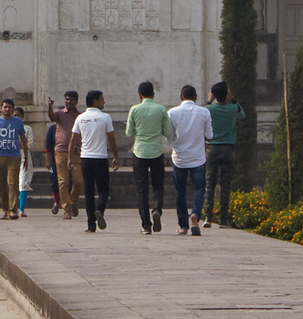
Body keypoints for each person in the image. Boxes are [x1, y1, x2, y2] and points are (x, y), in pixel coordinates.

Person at [125, 81, 171, 234]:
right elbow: (167, 132)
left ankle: (146, 225)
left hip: (140, 152)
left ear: (140, 95)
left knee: (142, 189)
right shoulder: (161, 109)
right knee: (158, 185)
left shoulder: (135, 109)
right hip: (157, 152)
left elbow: (128, 132)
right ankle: (157, 209)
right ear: (153, 94)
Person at [167, 84, 210, 236]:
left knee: (180, 190)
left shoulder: (172, 113)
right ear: (196, 97)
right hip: (198, 157)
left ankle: (183, 225)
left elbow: (170, 137)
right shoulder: (204, 112)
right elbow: (209, 135)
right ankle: (196, 215)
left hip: (180, 157)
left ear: (181, 97)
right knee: (199, 188)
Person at [73, 90, 114, 231]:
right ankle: (99, 210)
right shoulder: (105, 117)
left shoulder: (80, 118)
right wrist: (116, 156)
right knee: (103, 190)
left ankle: (91, 225)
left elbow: (73, 139)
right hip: (100, 158)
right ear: (95, 101)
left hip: (85, 158)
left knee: (89, 192)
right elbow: (112, 138)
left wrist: (69, 157)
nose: (104, 102)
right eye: (102, 99)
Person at [205, 81, 244, 225]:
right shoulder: (233, 108)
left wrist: (209, 99)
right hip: (228, 149)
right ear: (226, 94)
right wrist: (232, 98)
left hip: (212, 148)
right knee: (225, 185)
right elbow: (242, 114)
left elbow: (203, 112)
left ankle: (208, 216)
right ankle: (223, 218)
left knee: (210, 183)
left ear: (214, 95)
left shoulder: (209, 109)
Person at [0, 98, 28, 219]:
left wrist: (25, 157)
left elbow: (23, 139)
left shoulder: (17, 122)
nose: (7, 109)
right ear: (1, 108)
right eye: (5, 107)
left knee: (13, 182)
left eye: (10, 107)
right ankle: (4, 208)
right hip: (0, 154)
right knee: (1, 183)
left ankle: (13, 209)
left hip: (14, 155)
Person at [49, 90, 82, 218]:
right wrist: (50, 106)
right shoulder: (60, 114)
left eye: (71, 99)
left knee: (78, 181)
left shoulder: (80, 116)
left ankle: (72, 201)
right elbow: (52, 117)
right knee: (63, 182)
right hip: (61, 151)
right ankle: (66, 209)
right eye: (67, 99)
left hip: (76, 152)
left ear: (76, 101)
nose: (68, 102)